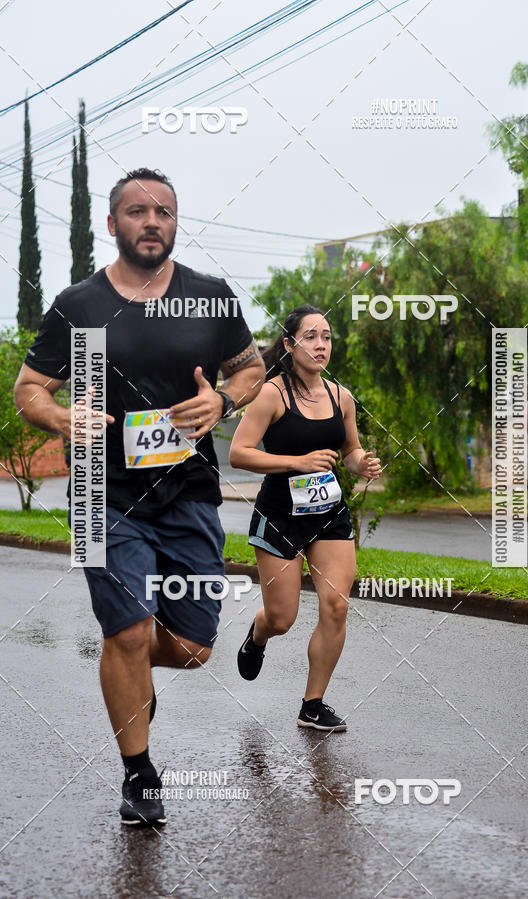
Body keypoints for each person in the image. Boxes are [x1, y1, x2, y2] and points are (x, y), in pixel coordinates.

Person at [13, 168, 265, 824]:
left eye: (163, 212)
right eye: (137, 211)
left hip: (190, 491)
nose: (151, 221)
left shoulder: (209, 297)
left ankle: (126, 668)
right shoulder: (79, 305)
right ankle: (139, 772)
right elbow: (28, 388)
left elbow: (252, 369)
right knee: (127, 631)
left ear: (175, 223)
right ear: (112, 223)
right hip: (101, 489)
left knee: (192, 646)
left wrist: (223, 399)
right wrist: (59, 416)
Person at [229, 304, 381, 731]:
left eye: (326, 337)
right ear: (290, 344)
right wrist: (297, 462)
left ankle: (312, 705)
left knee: (336, 606)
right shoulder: (271, 394)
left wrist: (361, 463)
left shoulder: (340, 397)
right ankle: (258, 633)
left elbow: (349, 450)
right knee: (283, 618)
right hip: (280, 515)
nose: (320, 345)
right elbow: (238, 453)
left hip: (328, 513)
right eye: (311, 336)